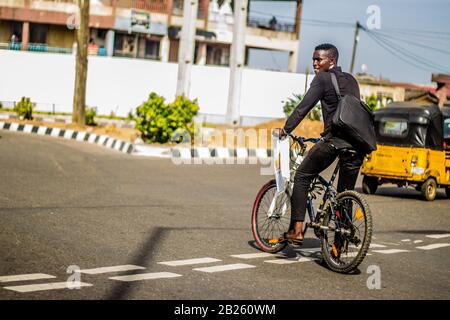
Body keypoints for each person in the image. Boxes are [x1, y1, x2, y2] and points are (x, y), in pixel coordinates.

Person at [277, 43, 364, 245]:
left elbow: (303, 108)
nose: (315, 63)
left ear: (331, 61)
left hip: (335, 141)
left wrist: (286, 129)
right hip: (357, 145)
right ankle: (337, 249)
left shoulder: (322, 78)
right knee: (344, 196)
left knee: (302, 176)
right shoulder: (351, 80)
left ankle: (296, 230)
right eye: (314, 59)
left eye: (319, 59)